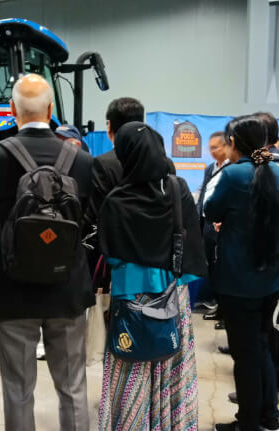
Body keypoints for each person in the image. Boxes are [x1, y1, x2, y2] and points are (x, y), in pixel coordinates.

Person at [0, 74, 94, 431]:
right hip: (67, 287)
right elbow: (87, 223)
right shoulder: (83, 160)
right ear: (52, 109)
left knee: (17, 390)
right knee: (73, 388)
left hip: (11, 289)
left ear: (12, 110)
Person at [97, 121, 207, 431]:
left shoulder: (116, 201)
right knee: (171, 363)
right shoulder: (178, 189)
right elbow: (192, 243)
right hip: (173, 296)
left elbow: (111, 255)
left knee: (130, 370)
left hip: (130, 298)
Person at [205, 115, 279, 431]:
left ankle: (248, 422)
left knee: (245, 355)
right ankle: (269, 415)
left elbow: (211, 211)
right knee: (262, 345)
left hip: (238, 282)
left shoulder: (234, 175)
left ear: (234, 143)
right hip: (272, 279)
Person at [84, 97, 146, 226]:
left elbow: (94, 215)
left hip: (116, 242)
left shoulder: (103, 164)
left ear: (109, 126)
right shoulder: (165, 163)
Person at [197, 131, 228, 316]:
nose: (212, 151)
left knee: (220, 264)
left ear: (226, 146)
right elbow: (204, 192)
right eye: (210, 148)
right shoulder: (210, 168)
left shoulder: (232, 168)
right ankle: (213, 301)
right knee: (209, 263)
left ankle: (222, 305)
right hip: (206, 222)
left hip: (221, 224)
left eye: (216, 147)